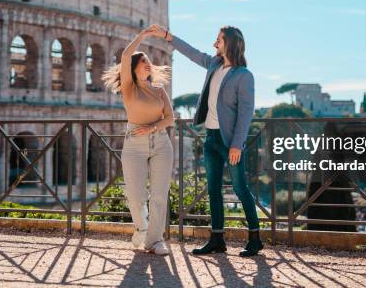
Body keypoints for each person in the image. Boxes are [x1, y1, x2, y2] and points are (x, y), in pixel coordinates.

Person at [149, 24, 263, 257]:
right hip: (210, 138)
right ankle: (217, 239)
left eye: (219, 39)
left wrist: (237, 145)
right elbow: (192, 53)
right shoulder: (214, 64)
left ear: (230, 42)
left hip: (230, 142)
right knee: (213, 190)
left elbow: (246, 113)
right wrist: (168, 37)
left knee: (241, 189)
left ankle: (255, 238)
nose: (215, 43)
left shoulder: (244, 76)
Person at [101, 27, 174, 255]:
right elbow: (124, 56)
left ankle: (155, 241)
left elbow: (170, 118)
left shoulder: (160, 90)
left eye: (148, 61)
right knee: (135, 195)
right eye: (142, 61)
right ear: (133, 69)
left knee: (160, 195)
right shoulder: (129, 88)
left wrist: (153, 127)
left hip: (161, 143)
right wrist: (142, 37)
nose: (147, 63)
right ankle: (141, 227)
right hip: (134, 145)